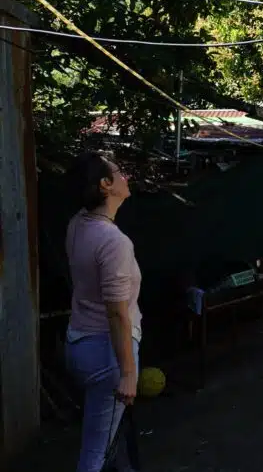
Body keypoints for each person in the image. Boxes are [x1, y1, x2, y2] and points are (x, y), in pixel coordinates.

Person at [64, 152, 141, 472]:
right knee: (95, 454)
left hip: (80, 341)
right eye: (119, 173)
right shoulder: (113, 242)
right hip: (107, 354)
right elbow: (117, 314)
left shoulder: (79, 223)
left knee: (113, 440)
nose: (126, 177)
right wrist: (128, 373)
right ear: (105, 185)